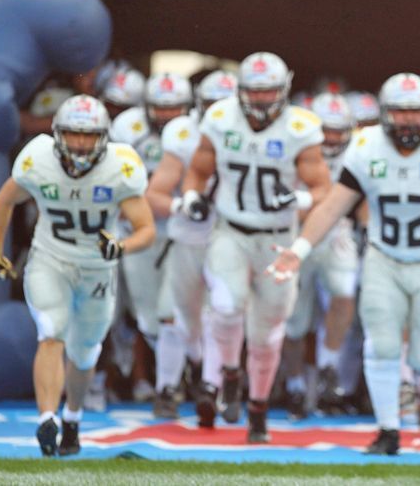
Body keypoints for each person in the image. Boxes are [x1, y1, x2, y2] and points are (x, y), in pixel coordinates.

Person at [268, 73, 420, 454]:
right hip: (383, 257)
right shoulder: (367, 146)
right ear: (385, 114)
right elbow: (335, 205)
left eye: (415, 111)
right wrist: (299, 249)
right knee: (381, 345)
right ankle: (388, 430)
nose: (407, 120)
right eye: (399, 112)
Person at [0, 94, 154, 456]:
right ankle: (48, 418)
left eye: (89, 135)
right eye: (73, 134)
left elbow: (145, 228)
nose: (80, 143)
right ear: (58, 133)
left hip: (97, 268)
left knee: (84, 352)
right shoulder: (38, 158)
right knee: (51, 331)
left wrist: (122, 245)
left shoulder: (120, 166)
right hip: (51, 259)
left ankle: (73, 417)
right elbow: (4, 200)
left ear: (104, 136)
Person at [180, 51, 331, 443]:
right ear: (240, 91)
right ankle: (230, 372)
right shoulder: (219, 118)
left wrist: (296, 201)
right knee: (226, 307)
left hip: (278, 238)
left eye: (269, 92)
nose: (262, 99)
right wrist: (193, 196)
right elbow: (197, 172)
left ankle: (258, 409)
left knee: (266, 334)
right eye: (254, 91)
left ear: (283, 91)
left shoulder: (301, 127)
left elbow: (323, 192)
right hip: (230, 231)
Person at [143, 70, 237, 419]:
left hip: (229, 238)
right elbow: (154, 193)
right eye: (213, 104)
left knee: (222, 313)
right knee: (172, 315)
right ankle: (170, 385)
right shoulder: (183, 133)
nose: (219, 112)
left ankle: (210, 388)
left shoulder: (249, 134)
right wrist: (182, 204)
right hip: (187, 238)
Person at [110, 72, 193, 418]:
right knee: (146, 314)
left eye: (174, 108)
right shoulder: (127, 128)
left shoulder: (196, 131)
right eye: (160, 107)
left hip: (180, 229)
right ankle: (171, 377)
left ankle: (170, 384)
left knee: (174, 310)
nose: (167, 116)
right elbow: (111, 172)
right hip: (139, 227)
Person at [280, 92, 361, 418]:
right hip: (298, 233)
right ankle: (296, 385)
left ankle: (328, 367)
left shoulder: (358, 152)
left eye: (337, 131)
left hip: (337, 232)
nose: (331, 138)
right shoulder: (296, 145)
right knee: (295, 322)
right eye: (325, 130)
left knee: (344, 294)